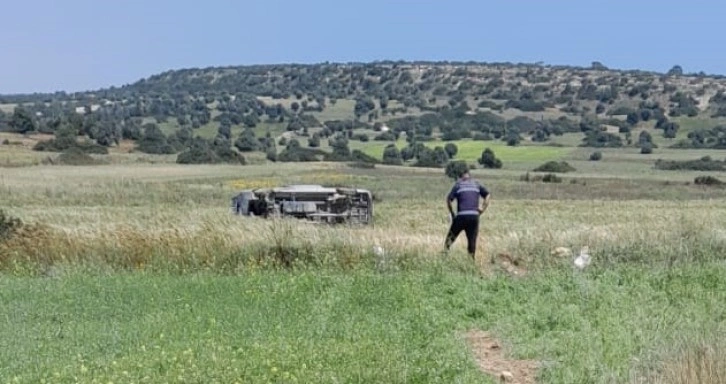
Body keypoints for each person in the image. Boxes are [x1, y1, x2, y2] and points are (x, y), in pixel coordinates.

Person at [444, 168, 490, 260]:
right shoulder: (477, 184)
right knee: (472, 242)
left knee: (449, 240)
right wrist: (482, 209)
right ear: (470, 176)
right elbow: (488, 194)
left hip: (461, 216)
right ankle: (471, 263)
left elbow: (449, 199)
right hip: (474, 216)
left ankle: (445, 256)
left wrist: (452, 213)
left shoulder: (458, 185)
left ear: (461, 177)